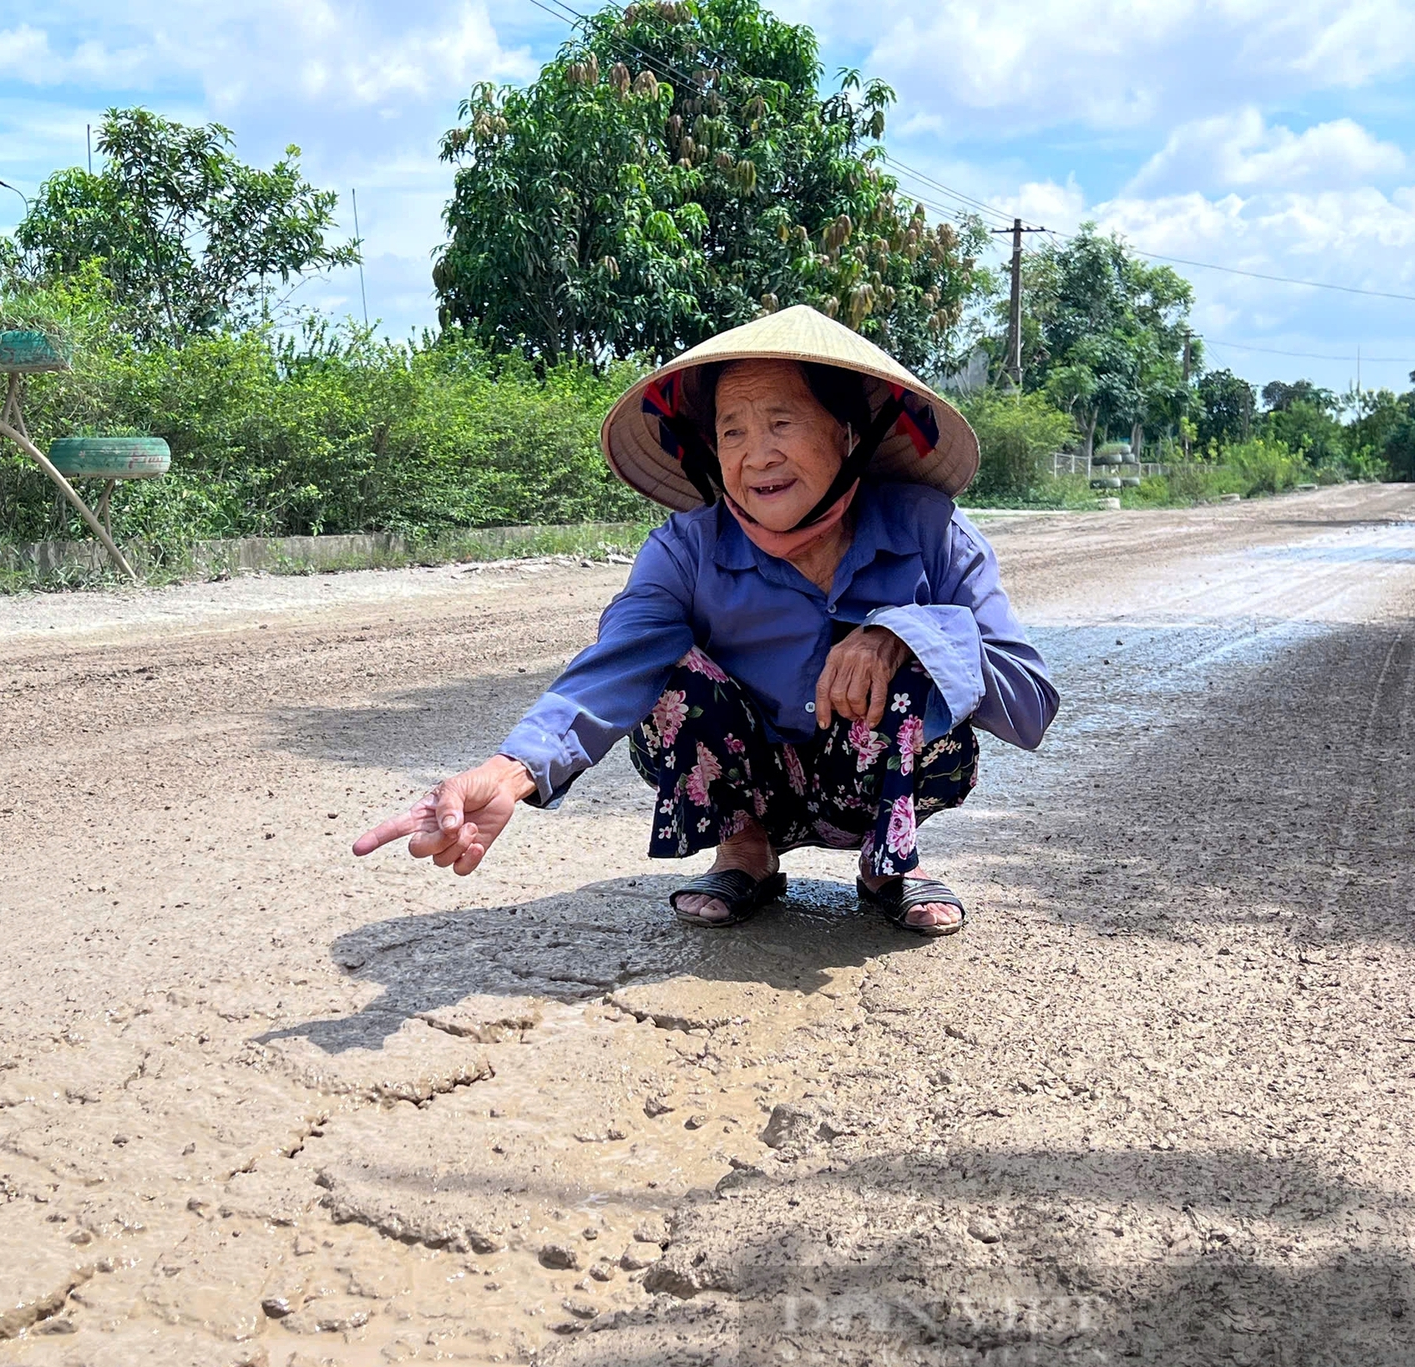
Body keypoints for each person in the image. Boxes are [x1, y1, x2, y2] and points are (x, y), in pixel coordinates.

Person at [353, 305, 1057, 936]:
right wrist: (508, 775)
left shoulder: (931, 529)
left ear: (845, 435)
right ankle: (744, 845)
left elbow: (1030, 702)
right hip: (750, 778)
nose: (758, 454)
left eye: (782, 422)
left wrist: (907, 633)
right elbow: (616, 665)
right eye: (733, 430)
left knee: (920, 657)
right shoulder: (685, 548)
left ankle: (889, 856)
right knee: (665, 673)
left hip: (873, 778)